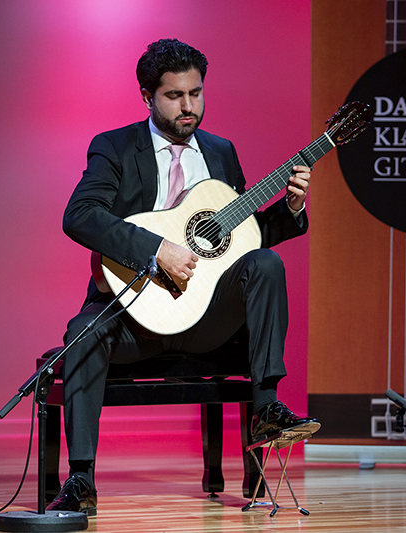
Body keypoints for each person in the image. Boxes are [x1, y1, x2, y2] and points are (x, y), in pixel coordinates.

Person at [46, 38, 320, 516]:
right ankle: (82, 479)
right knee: (82, 333)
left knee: (265, 264)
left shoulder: (220, 152)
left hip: (205, 320)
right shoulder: (114, 147)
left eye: (196, 93)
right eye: (174, 96)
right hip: (135, 316)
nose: (188, 106)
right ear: (147, 96)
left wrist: (291, 210)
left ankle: (267, 411)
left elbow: (239, 238)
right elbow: (81, 215)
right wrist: (157, 250)